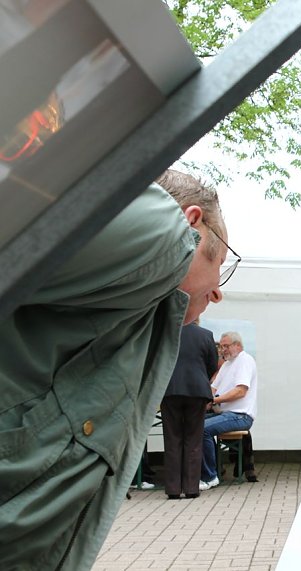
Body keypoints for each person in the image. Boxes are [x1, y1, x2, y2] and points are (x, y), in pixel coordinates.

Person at [0, 168, 230, 569]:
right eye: (222, 264)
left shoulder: (128, 307)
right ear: (192, 222)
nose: (218, 291)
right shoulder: (166, 235)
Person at [161, 319, 219, 499]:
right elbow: (212, 364)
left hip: (169, 390)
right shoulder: (206, 335)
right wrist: (200, 378)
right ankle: (192, 488)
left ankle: (173, 489)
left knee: (172, 439)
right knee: (194, 440)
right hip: (197, 391)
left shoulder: (165, 333)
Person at [200, 331, 258, 490]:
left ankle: (210, 476)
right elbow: (212, 389)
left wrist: (214, 401)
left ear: (237, 346)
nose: (222, 350)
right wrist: (203, 400)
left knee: (202, 430)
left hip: (240, 415)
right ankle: (203, 472)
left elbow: (240, 391)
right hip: (226, 413)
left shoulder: (244, 360)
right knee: (191, 424)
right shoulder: (227, 364)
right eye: (221, 346)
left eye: (226, 346)